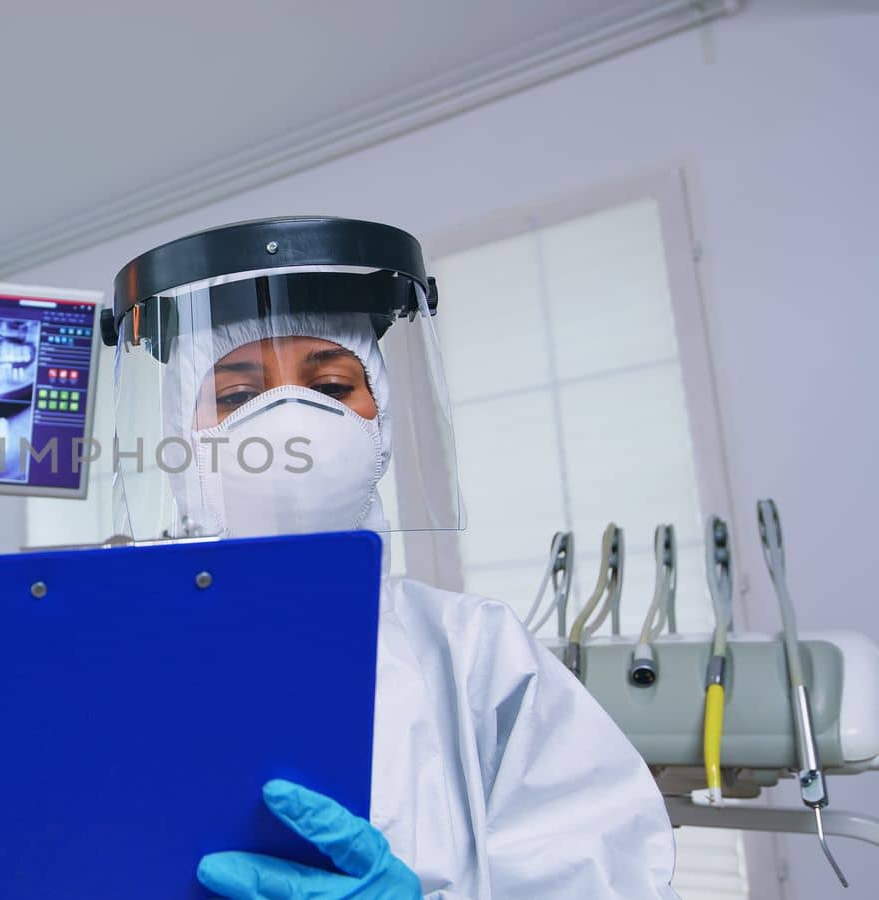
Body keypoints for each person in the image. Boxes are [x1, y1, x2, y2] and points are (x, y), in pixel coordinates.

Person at [103, 217, 678, 898]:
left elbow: (609, 874)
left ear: (380, 419)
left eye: (331, 388)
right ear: (179, 437)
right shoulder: (115, 655)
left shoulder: (473, 655)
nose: (291, 421)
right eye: (237, 395)